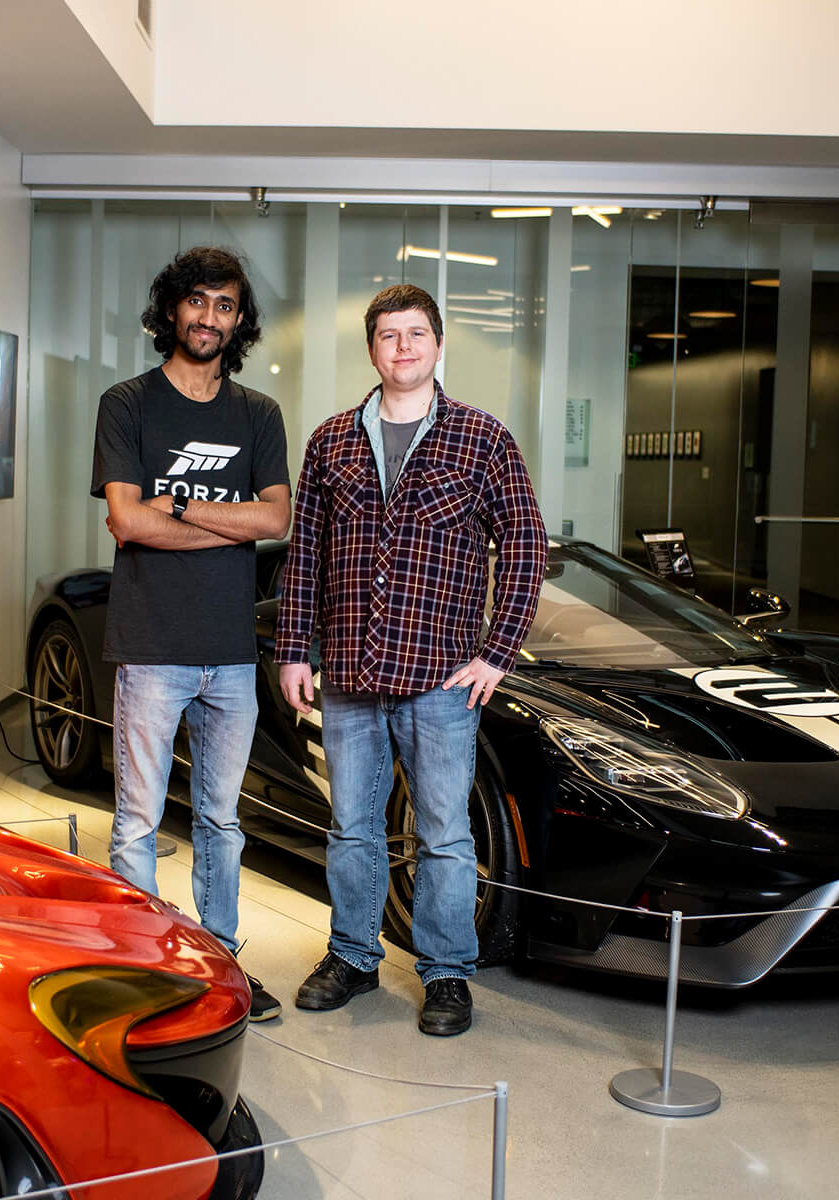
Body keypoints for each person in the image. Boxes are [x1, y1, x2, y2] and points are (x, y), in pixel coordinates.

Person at [275, 284, 546, 1036]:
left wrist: (499, 652)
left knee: (445, 835)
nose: (403, 348)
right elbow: (307, 559)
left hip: (441, 678)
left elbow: (527, 546)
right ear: (372, 349)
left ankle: (447, 973)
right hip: (352, 678)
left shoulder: (483, 439)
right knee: (353, 827)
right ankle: (355, 957)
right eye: (389, 336)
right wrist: (295, 649)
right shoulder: (330, 441)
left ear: (438, 344)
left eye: (416, 334)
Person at [92, 246, 291, 1021]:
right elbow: (125, 520)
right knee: (138, 822)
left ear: (239, 322)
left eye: (225, 306)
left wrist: (174, 509)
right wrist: (219, 524)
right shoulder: (128, 404)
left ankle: (220, 967)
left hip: (230, 656)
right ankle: (144, 973)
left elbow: (275, 517)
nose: (210, 317)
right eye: (198, 301)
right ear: (173, 308)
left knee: (221, 820)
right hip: (151, 647)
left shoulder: (257, 415)